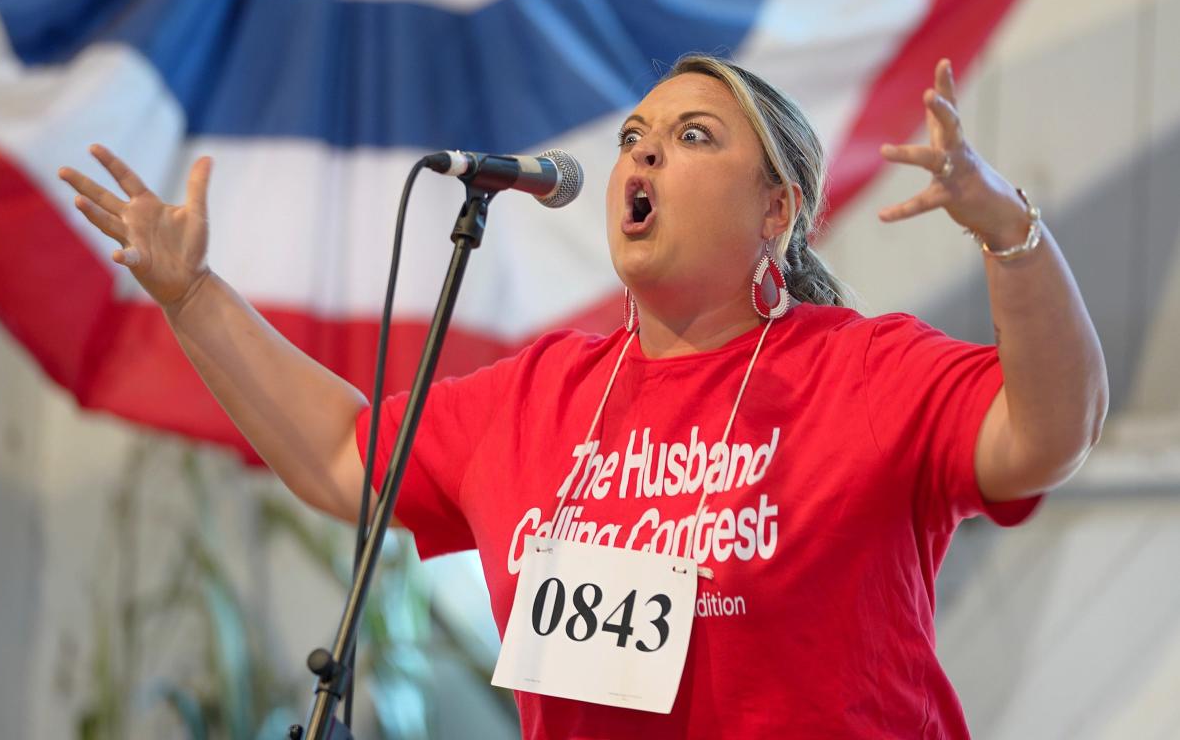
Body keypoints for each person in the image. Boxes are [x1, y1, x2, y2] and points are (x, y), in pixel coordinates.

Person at [58, 54, 1107, 739]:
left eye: (695, 135)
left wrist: (1012, 232)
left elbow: (1051, 432)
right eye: (635, 136)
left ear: (777, 210)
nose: (643, 149)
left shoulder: (861, 373)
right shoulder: (543, 398)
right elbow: (343, 455)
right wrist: (192, 296)